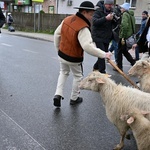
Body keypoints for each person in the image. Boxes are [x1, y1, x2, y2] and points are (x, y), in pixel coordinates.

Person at [53, 1, 112, 107]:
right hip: (74, 57)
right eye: (90, 14)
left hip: (62, 54)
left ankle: (58, 94)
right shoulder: (83, 27)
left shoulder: (67, 19)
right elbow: (87, 46)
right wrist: (104, 54)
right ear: (84, 12)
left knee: (63, 72)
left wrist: (58, 50)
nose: (91, 17)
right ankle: (74, 98)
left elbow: (56, 35)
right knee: (78, 76)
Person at [92, 0, 114, 73]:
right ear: (105, 4)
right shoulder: (98, 11)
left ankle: (96, 67)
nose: (110, 6)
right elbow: (95, 22)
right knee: (102, 54)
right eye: (109, 4)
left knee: (103, 54)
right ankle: (102, 71)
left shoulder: (112, 11)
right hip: (98, 36)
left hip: (106, 37)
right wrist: (105, 18)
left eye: (111, 4)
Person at [114, 2, 136, 71]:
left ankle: (119, 67)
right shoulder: (131, 15)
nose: (121, 9)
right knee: (124, 51)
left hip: (124, 36)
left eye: (122, 8)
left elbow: (124, 26)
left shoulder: (125, 14)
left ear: (124, 9)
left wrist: (122, 36)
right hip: (129, 35)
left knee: (119, 51)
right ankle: (133, 63)